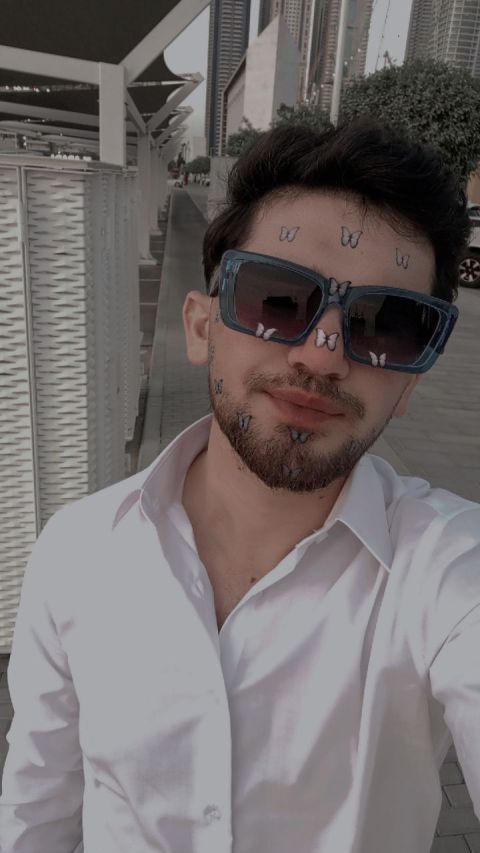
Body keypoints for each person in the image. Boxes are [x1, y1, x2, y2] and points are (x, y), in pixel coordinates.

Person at [1, 120, 478, 853]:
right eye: (277, 299)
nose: (321, 356)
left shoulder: (447, 573)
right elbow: (38, 812)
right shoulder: (76, 552)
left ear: (410, 384)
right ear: (201, 327)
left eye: (388, 325)